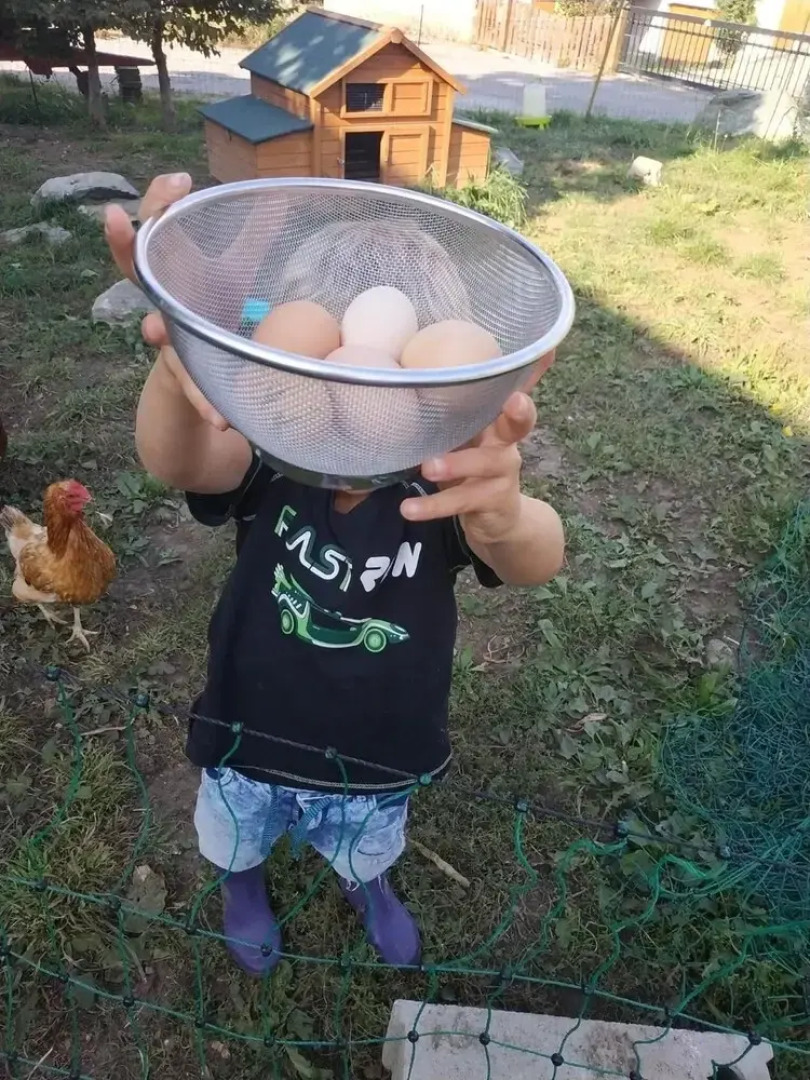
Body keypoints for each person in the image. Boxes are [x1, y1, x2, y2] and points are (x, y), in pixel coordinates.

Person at [107, 174, 565, 976]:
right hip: (251, 722)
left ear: (440, 392)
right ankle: (243, 885)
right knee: (237, 827)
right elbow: (179, 458)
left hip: (377, 738)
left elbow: (533, 555)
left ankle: (365, 884)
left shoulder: (442, 481)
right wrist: (180, 361)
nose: (352, 387)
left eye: (393, 370)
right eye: (313, 364)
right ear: (273, 368)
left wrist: (505, 516)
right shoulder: (270, 455)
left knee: (363, 837)